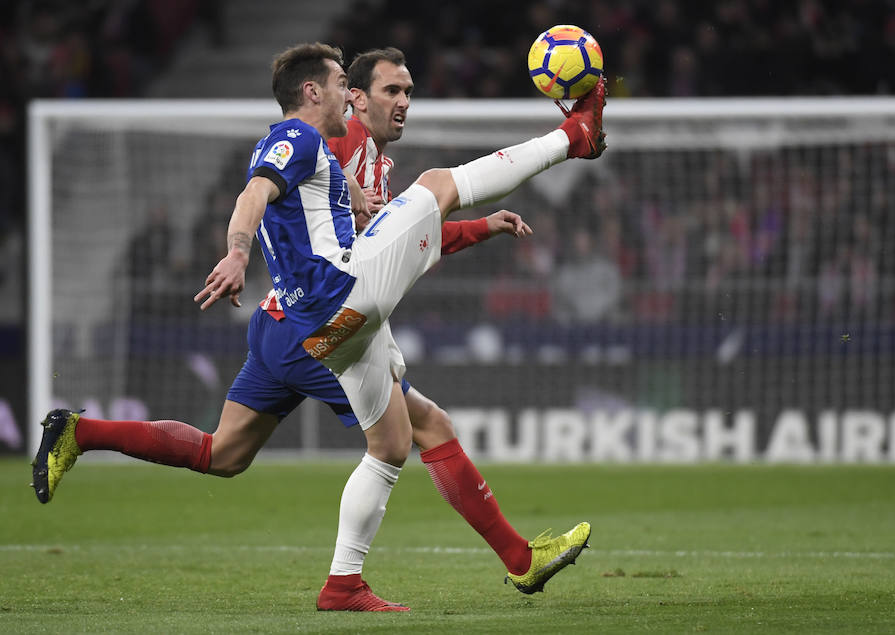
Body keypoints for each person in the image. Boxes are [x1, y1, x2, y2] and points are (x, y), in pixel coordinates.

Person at [32, 42, 606, 611]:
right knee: (437, 194)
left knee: (235, 452)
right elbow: (257, 191)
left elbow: (384, 229)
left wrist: (470, 225)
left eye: (407, 90)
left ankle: (80, 432)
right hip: (328, 312)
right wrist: (236, 252)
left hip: (305, 327)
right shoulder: (306, 136)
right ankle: (573, 138)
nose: (401, 101)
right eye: (386, 91)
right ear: (334, 94)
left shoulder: (342, 159)